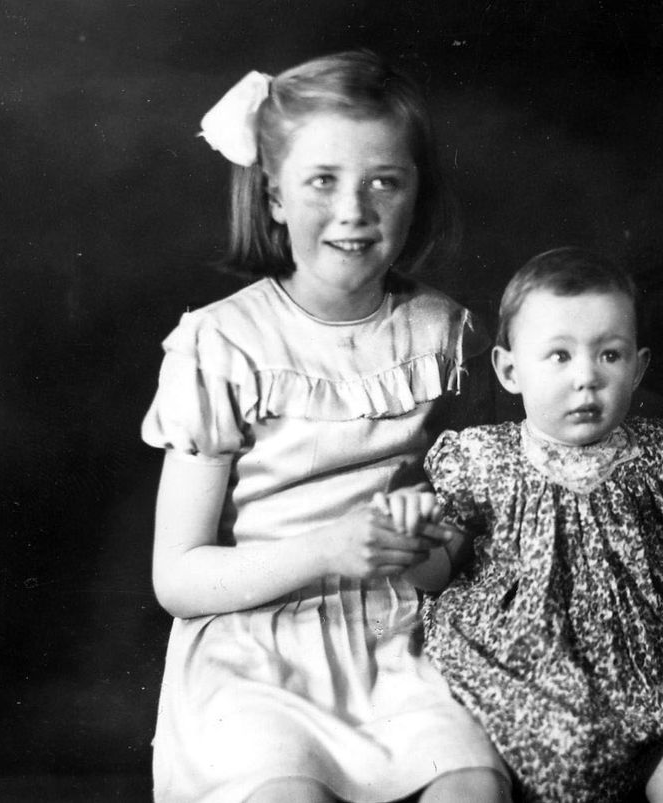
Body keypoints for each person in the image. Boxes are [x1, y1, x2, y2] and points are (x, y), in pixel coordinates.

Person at [141, 50, 510, 803]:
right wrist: (327, 548)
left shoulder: (444, 333)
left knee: (473, 787)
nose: (354, 210)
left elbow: (468, 526)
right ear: (273, 195)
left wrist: (427, 541)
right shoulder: (223, 344)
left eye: (384, 181)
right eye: (322, 181)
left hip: (400, 637)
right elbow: (176, 578)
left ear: (416, 194)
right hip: (256, 648)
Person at [413, 247, 663, 803]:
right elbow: (438, 571)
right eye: (559, 355)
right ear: (509, 370)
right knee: (485, 766)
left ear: (639, 368)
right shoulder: (483, 460)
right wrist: (415, 548)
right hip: (521, 664)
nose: (587, 378)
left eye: (609, 355)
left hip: (646, 662)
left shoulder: (660, 456)